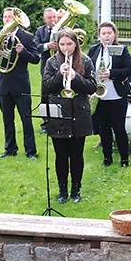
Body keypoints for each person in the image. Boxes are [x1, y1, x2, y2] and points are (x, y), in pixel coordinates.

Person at [42, 29, 97, 203]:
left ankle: (76, 190)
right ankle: (62, 190)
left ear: (76, 44)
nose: (66, 48)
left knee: (76, 154)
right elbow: (46, 87)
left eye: (69, 44)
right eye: (62, 44)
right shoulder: (52, 62)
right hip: (59, 112)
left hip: (79, 112)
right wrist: (60, 74)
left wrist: (75, 77)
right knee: (60, 155)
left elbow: (92, 86)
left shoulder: (86, 61)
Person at [0, 8, 40, 159]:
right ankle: (10, 148)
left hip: (20, 85)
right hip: (3, 85)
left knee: (26, 120)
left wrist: (23, 52)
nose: (7, 20)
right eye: (5, 17)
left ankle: (31, 151)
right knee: (7, 120)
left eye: (10, 17)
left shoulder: (26, 37)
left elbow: (36, 58)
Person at [88, 21, 131, 167]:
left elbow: (129, 69)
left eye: (109, 33)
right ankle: (107, 158)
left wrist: (111, 73)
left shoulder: (121, 49)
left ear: (114, 34)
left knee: (119, 127)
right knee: (104, 128)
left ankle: (124, 159)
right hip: (100, 95)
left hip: (117, 95)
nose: (107, 36)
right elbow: (87, 68)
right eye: (104, 33)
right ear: (99, 35)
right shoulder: (94, 50)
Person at [33, 7, 58, 134]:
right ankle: (46, 124)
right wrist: (47, 46)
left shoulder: (63, 29)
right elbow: (35, 47)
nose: (53, 20)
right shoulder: (40, 31)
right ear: (45, 19)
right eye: (49, 18)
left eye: (54, 17)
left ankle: (59, 120)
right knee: (45, 97)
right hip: (47, 68)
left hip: (61, 66)